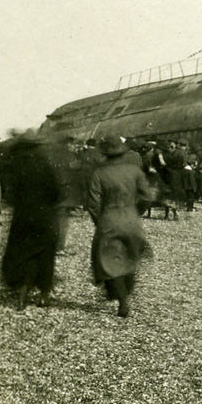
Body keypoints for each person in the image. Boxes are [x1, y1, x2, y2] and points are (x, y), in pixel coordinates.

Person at [86, 136, 154, 317]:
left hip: (109, 218)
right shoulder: (135, 171)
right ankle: (126, 292)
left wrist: (99, 221)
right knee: (130, 254)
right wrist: (136, 211)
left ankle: (122, 299)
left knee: (109, 259)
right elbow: (147, 197)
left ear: (105, 154)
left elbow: (93, 204)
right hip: (131, 218)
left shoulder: (98, 174)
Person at [0, 131, 65, 310]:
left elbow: (9, 195)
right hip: (44, 215)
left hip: (23, 216)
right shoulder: (45, 164)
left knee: (23, 253)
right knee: (45, 254)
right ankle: (44, 295)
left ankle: (22, 295)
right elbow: (56, 193)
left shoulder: (15, 166)